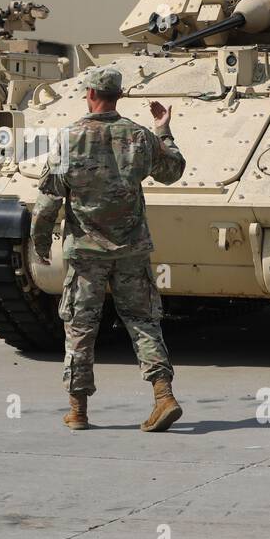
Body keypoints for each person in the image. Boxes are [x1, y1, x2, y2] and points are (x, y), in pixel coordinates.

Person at [30, 66, 187, 433]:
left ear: (89, 93)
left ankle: (78, 410)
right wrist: (163, 129)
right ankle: (163, 396)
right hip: (131, 248)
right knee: (144, 322)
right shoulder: (139, 135)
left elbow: (48, 199)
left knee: (80, 327)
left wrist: (39, 244)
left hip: (85, 253)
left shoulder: (69, 138)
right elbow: (173, 171)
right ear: (117, 95)